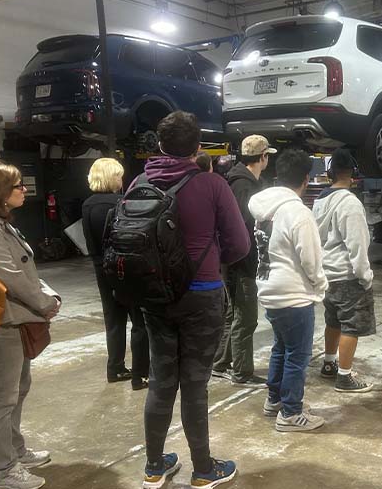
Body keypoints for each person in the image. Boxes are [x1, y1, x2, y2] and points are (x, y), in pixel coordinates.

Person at [139, 111, 249, 489]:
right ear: (198, 147)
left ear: (159, 145)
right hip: (202, 295)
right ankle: (203, 469)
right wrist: (211, 258)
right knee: (195, 383)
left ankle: (155, 466)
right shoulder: (211, 184)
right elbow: (240, 245)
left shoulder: (139, 181)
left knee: (161, 380)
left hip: (154, 296)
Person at [0, 159, 60, 489]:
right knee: (1, 400)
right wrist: (45, 303)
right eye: (17, 185)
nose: (23, 190)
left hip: (13, 322)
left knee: (16, 391)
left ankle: (15, 452)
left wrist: (46, 296)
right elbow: (12, 277)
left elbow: (23, 273)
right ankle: (4, 471)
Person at [249, 148, 328, 432]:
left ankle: (275, 400)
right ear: (306, 179)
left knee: (281, 348)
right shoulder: (298, 212)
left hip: (270, 289)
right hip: (293, 295)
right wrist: (320, 286)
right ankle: (291, 413)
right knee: (298, 355)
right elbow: (311, 259)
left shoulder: (264, 209)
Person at [212, 135, 275, 387]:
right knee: (246, 319)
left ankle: (220, 363)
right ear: (263, 157)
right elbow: (244, 228)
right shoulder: (243, 186)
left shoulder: (242, 182)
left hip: (237, 260)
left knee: (234, 315)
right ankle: (242, 372)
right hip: (242, 262)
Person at [82, 158, 150, 390]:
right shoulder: (122, 203)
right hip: (124, 269)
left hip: (101, 269)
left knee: (114, 321)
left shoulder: (88, 204)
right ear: (113, 177)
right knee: (139, 321)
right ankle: (140, 374)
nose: (122, 180)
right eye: (119, 175)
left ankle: (115, 367)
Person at [312, 149, 375, 393]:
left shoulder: (320, 201)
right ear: (353, 173)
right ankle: (345, 377)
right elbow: (357, 245)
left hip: (327, 275)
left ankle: (329, 363)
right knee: (351, 326)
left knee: (333, 321)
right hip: (348, 276)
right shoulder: (350, 203)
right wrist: (365, 276)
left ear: (329, 173)